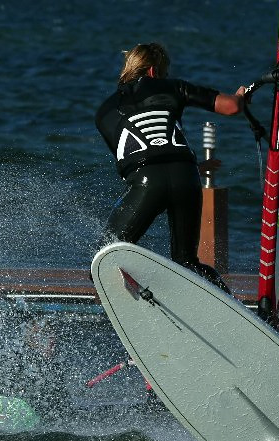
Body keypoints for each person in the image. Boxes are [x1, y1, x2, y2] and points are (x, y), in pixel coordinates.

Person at [95, 42, 245, 292]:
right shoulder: (173, 87)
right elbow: (231, 107)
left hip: (146, 181)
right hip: (186, 177)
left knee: (107, 255)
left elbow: (139, 158)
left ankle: (141, 299)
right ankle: (230, 307)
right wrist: (241, 96)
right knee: (187, 261)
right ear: (154, 71)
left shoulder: (105, 111)